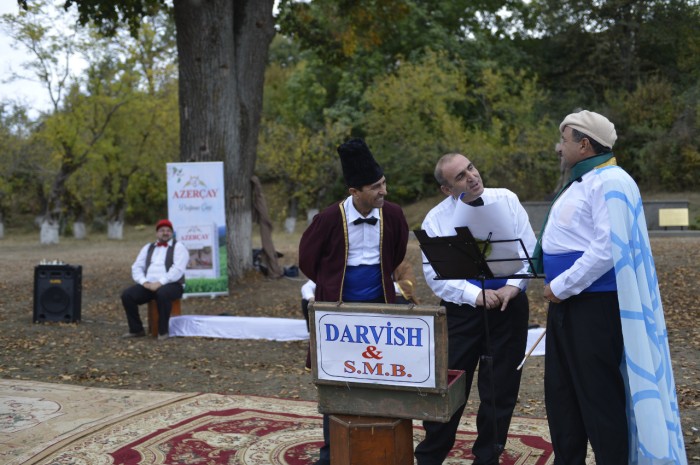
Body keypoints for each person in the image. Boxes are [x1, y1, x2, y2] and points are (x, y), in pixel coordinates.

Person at [533, 110, 687, 465]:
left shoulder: (611, 181)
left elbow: (607, 248)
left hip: (593, 307)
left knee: (598, 398)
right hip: (567, 303)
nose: (559, 148)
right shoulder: (583, 181)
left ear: (584, 144)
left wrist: (563, 285)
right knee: (562, 393)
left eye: (565, 140)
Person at [415, 153, 536, 465]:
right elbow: (435, 275)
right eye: (460, 176)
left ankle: (487, 457)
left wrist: (513, 285)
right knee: (450, 387)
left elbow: (530, 250)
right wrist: (475, 295)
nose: (471, 176)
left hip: (509, 308)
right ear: (446, 189)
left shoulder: (507, 199)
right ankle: (430, 457)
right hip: (461, 312)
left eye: (470, 168)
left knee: (501, 389)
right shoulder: (436, 219)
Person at [298, 138, 409, 465]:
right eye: (375, 187)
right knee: (336, 379)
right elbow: (307, 259)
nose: (383, 192)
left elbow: (398, 253)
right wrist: (332, 285)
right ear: (354, 191)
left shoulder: (395, 215)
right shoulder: (329, 218)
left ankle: (379, 445)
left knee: (381, 372)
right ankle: (332, 452)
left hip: (381, 308)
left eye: (384, 183)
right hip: (338, 313)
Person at [120, 219, 188, 340]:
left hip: (173, 284)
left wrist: (160, 283)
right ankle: (136, 330)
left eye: (168, 230)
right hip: (149, 285)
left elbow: (177, 270)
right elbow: (136, 267)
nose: (165, 233)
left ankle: (163, 331)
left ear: (172, 233)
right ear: (157, 233)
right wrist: (144, 282)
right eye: (162, 230)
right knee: (127, 295)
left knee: (162, 293)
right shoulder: (148, 247)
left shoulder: (179, 247)